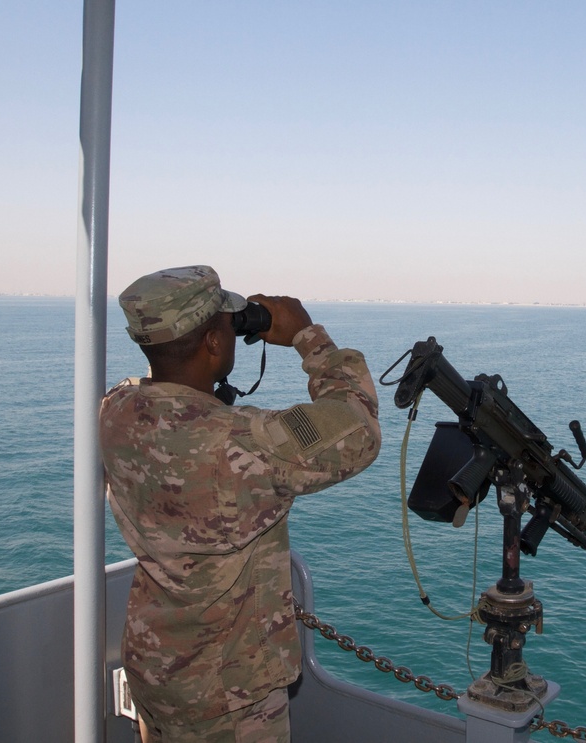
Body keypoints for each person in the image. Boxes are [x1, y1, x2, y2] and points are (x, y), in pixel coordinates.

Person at [100, 265, 382, 743]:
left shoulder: (116, 410)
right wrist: (308, 337)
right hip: (228, 692)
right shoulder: (243, 444)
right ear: (213, 343)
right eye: (228, 328)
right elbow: (359, 428)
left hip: (158, 667)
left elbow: (176, 407)